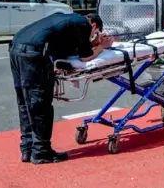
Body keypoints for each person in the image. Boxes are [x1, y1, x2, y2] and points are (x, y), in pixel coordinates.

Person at [9, 12, 114, 164]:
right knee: (40, 103)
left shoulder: (66, 20)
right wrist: (102, 47)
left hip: (16, 48)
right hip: (33, 55)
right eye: (95, 34)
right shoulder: (82, 24)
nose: (92, 37)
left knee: (25, 103)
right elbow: (86, 57)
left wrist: (93, 44)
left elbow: (73, 48)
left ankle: (28, 148)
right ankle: (41, 152)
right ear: (94, 26)